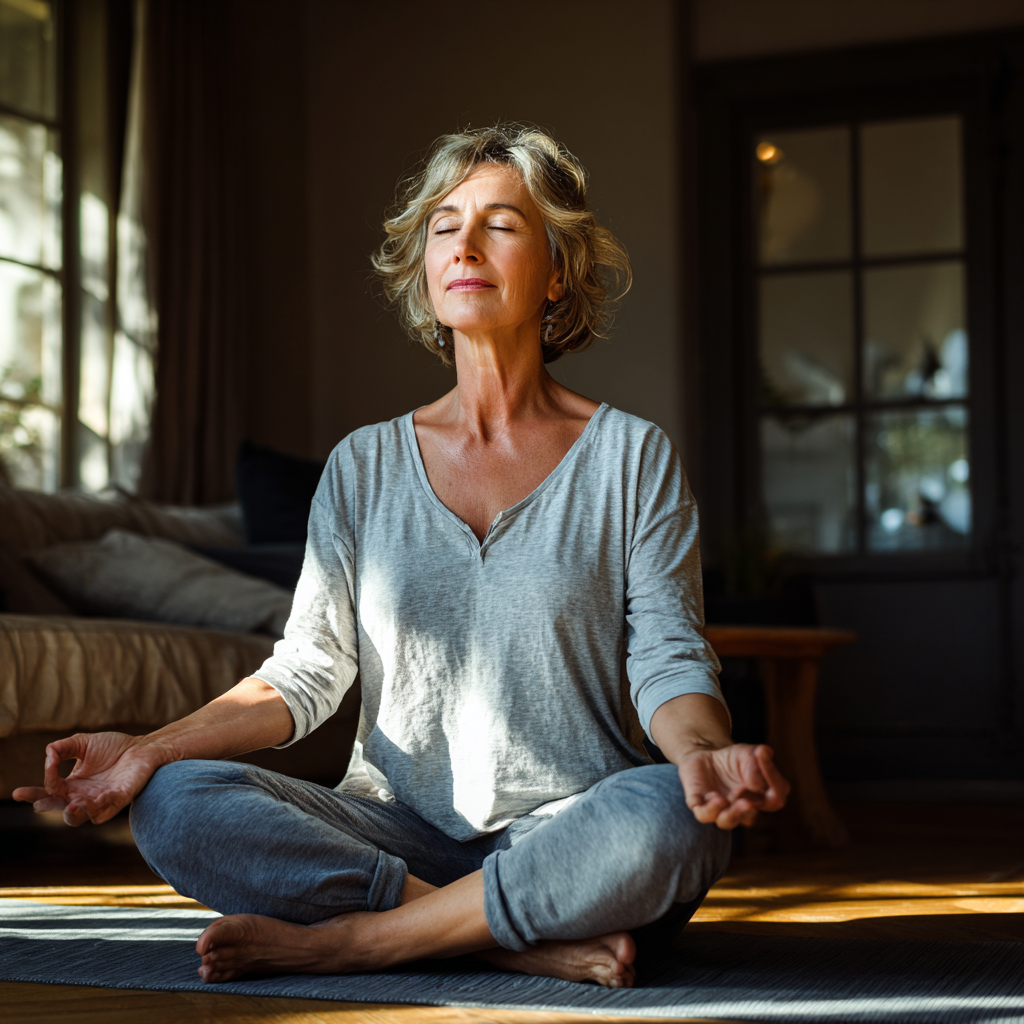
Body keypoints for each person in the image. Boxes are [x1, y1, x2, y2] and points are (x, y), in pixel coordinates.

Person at [14, 125, 789, 990]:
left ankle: (365, 941)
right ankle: (496, 934)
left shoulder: (630, 457)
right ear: (424, 264)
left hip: (569, 832)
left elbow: (668, 658)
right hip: (395, 831)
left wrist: (702, 758)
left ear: (559, 268)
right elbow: (306, 672)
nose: (463, 243)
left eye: (500, 223)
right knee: (175, 804)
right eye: (443, 224)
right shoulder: (363, 466)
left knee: (674, 820)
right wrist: (150, 750)